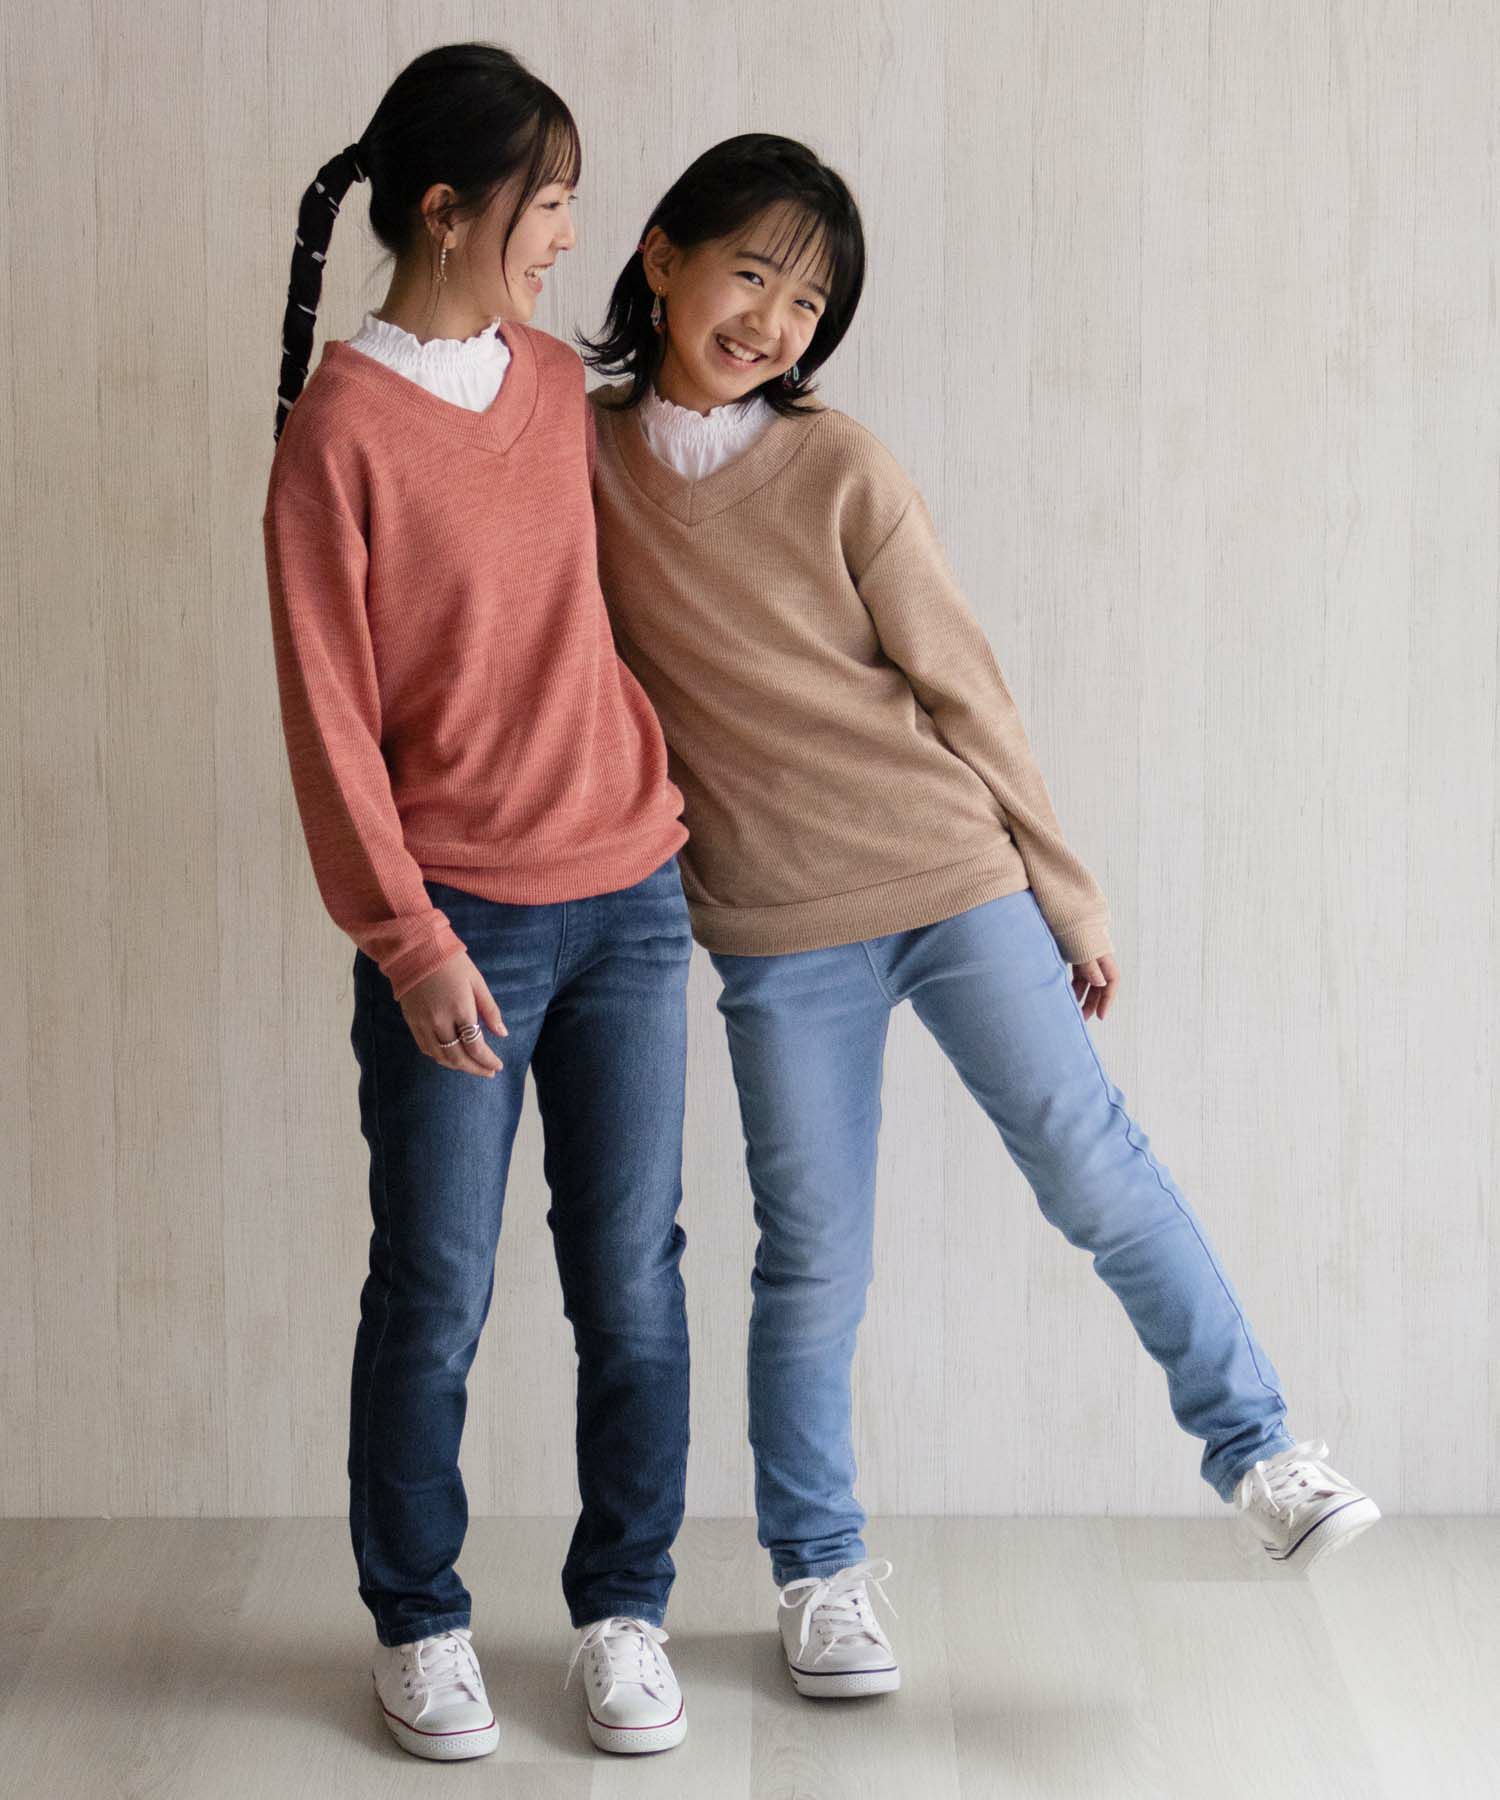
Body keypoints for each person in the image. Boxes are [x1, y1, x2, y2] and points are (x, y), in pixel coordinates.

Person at [579, 131, 1380, 1700]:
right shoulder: (579, 456)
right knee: (813, 1257)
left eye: (809, 306)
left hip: (952, 875)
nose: (772, 323)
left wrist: (1065, 890)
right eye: (751, 275)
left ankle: (1262, 1453)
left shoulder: (844, 467)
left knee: (1093, 1166)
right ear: (662, 256)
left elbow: (963, 685)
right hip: (773, 921)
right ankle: (820, 1580)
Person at [262, 41, 692, 1760]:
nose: (571, 236)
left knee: (632, 1282)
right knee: (436, 1290)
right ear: (447, 211)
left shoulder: (554, 383)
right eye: (552, 202)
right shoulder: (337, 437)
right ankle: (421, 1623)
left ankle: (625, 1611)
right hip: (464, 928)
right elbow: (329, 722)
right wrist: (409, 937)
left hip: (634, 897)